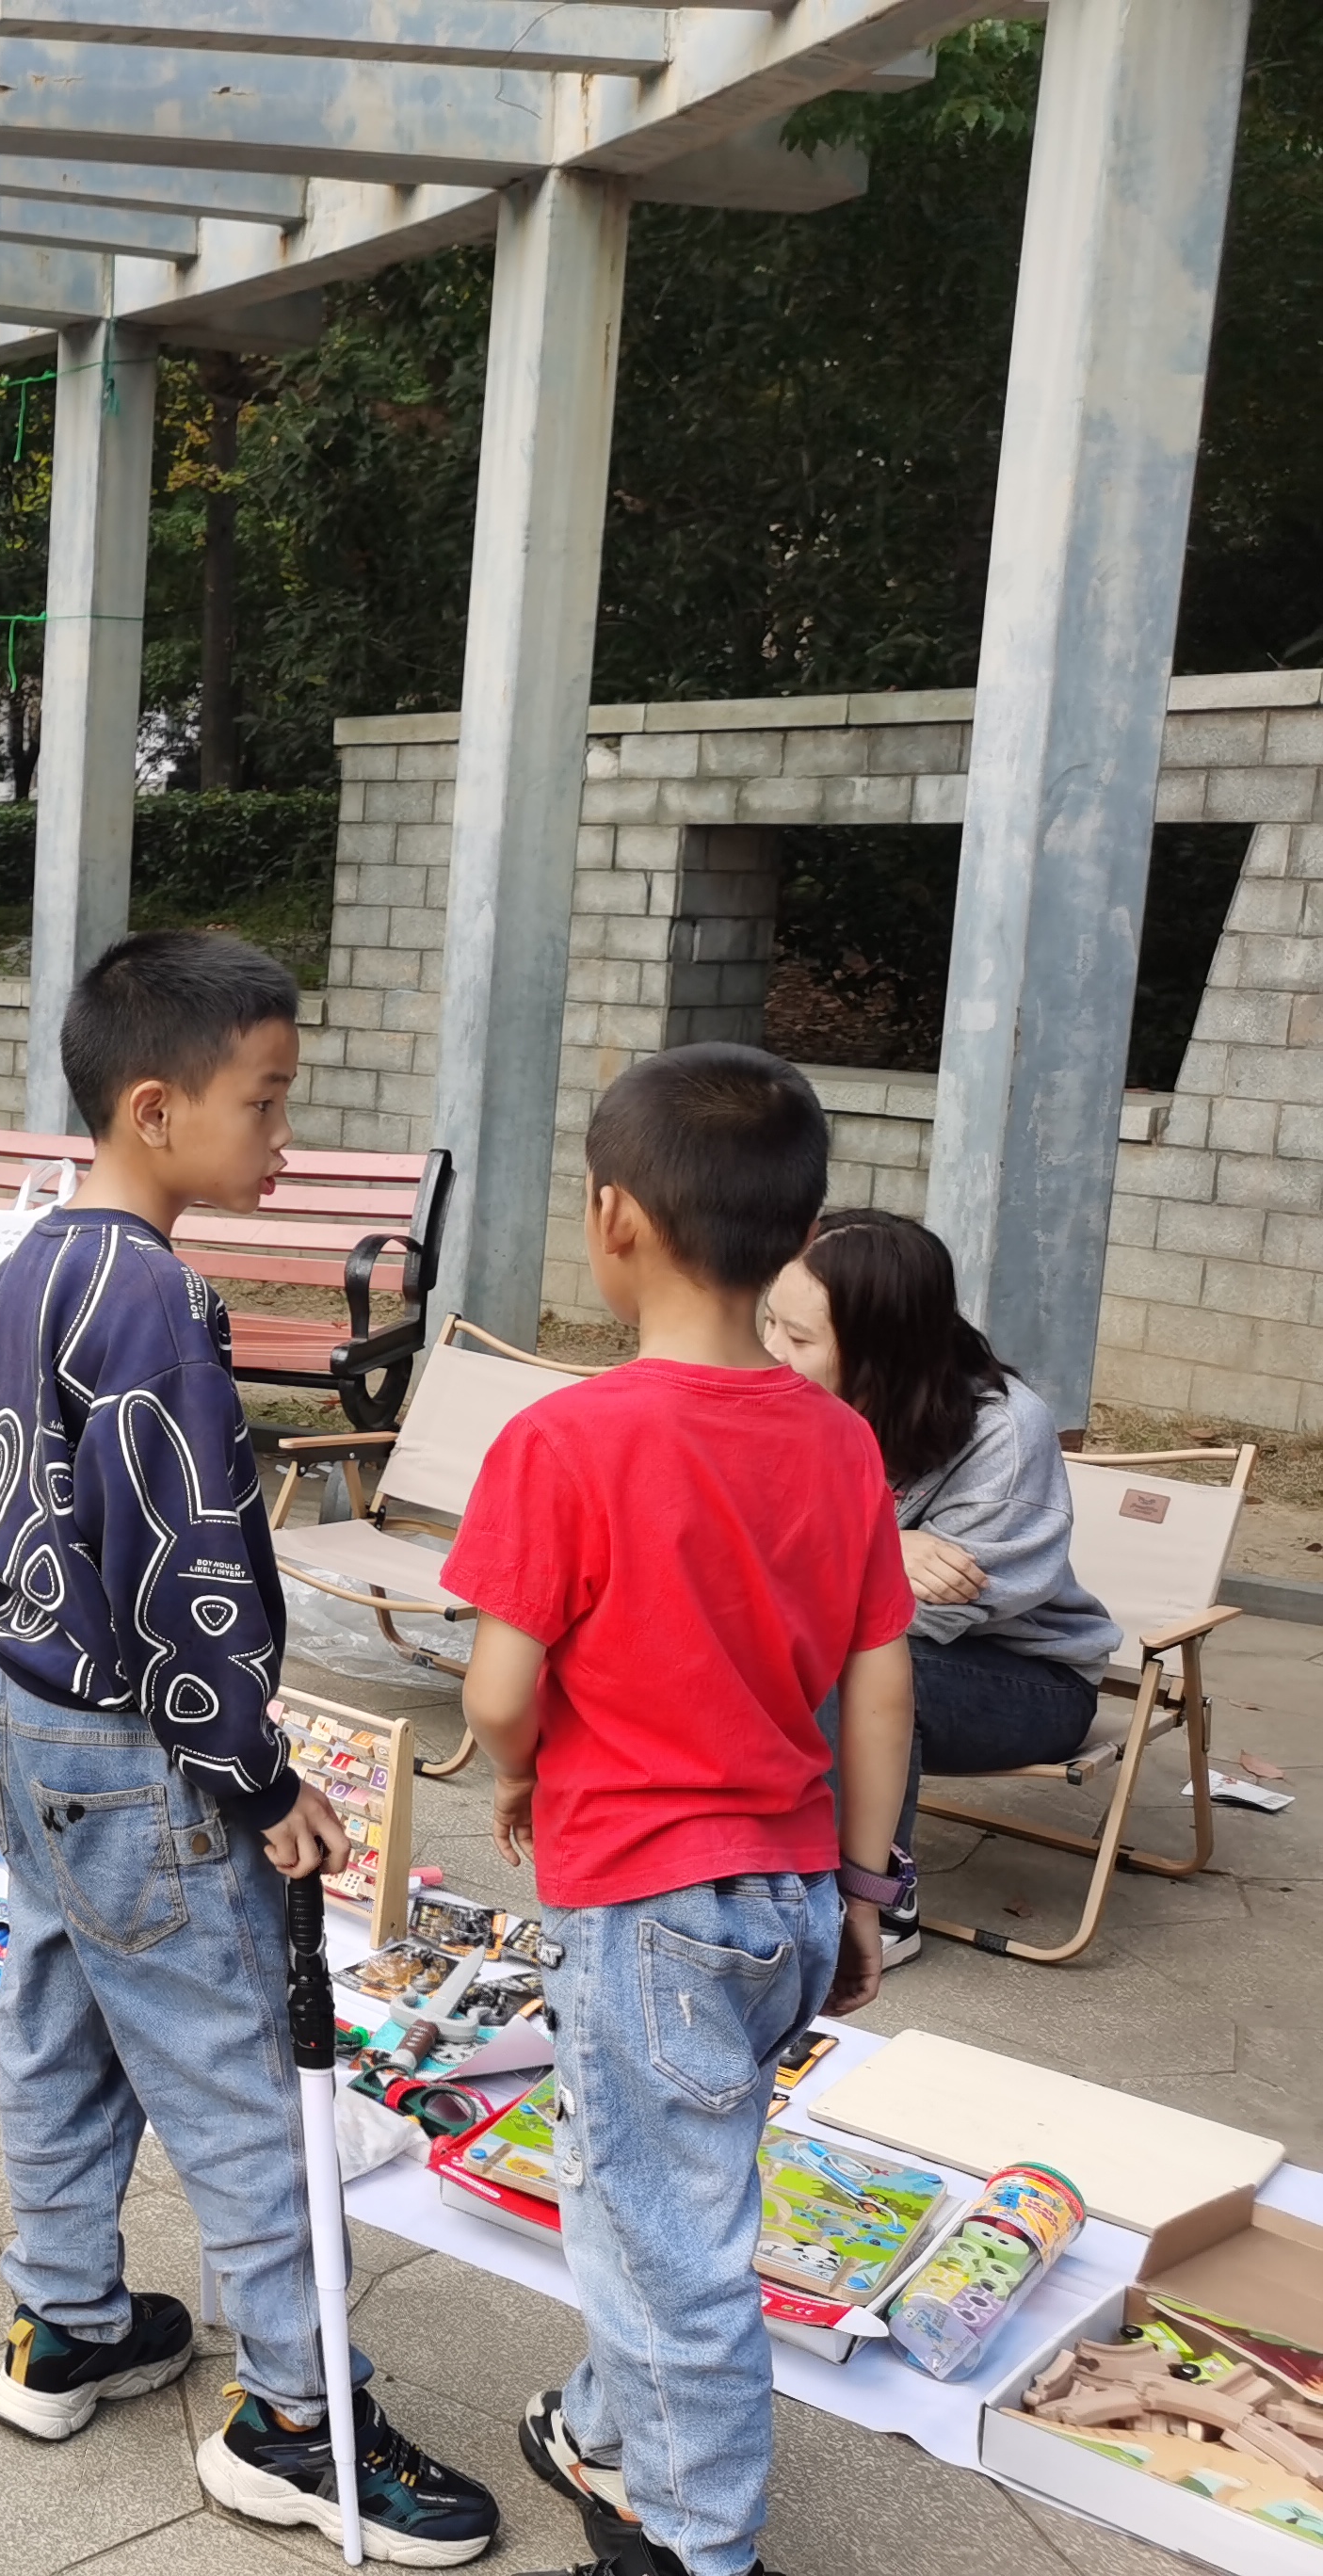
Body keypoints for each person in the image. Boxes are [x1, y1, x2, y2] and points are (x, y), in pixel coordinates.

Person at [0, 929, 500, 2563]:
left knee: (59, 2012)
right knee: (246, 2074)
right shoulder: (157, 1300)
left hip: (19, 1705)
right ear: (153, 1106)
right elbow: (179, 1581)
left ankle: (64, 2324)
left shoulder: (27, 1263)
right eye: (264, 1102)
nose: (285, 1138)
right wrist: (256, 1783)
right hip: (133, 1743)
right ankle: (297, 2421)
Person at [439, 1044, 914, 2576]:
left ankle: (699, 2544)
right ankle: (600, 2430)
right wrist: (863, 1891)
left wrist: (517, 1770)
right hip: (787, 1895)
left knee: (667, 2234)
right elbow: (880, 1691)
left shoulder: (563, 1440)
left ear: (612, 1219)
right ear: (799, 1236)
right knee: (658, 2193)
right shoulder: (840, 1444)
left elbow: (497, 1692)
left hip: (647, 1912)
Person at [762, 1208, 1118, 1967]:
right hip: (856, 1635)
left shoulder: (1003, 1433)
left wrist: (839, 1554)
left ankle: (879, 1901)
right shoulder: (786, 1399)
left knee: (860, 1665)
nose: (770, 1354)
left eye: (798, 1339)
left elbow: (927, 1615)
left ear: (880, 1351)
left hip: (1028, 1678)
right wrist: (885, 1546)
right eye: (770, 1324)